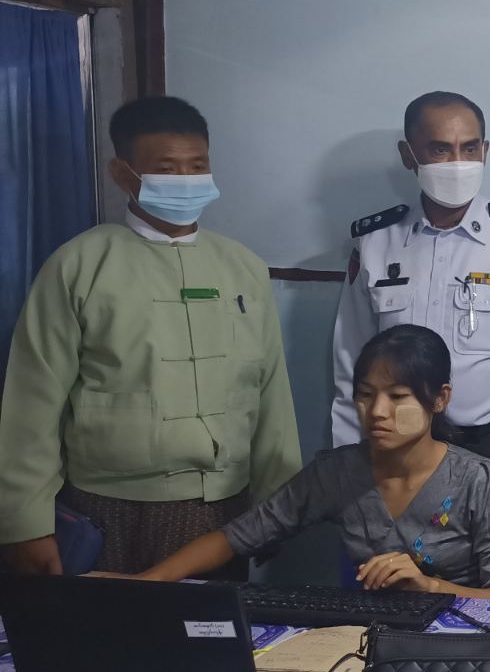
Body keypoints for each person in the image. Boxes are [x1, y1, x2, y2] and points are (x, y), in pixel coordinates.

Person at [0, 96, 300, 576]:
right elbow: (32, 404)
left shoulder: (243, 267)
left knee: (208, 625)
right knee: (104, 624)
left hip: (221, 512)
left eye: (197, 166)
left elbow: (271, 398)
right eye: (166, 169)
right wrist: (25, 522)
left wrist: (279, 506)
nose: (186, 180)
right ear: (122, 174)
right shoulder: (78, 265)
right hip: (107, 509)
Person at [331, 91, 490, 538]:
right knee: (393, 573)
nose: (458, 163)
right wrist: (351, 465)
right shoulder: (376, 242)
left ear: (486, 151)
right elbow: (350, 366)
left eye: (470, 148)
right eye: (440, 149)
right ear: (409, 155)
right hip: (395, 455)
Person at [137, 325, 490, 598]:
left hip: (458, 648)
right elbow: (238, 536)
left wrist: (430, 587)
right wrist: (149, 580)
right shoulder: (338, 473)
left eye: (397, 396)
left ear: (440, 399)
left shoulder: (478, 480)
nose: (377, 412)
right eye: (366, 395)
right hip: (367, 642)